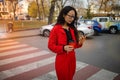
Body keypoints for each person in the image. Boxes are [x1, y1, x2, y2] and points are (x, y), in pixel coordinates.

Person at [48, 6, 86, 80]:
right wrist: (63, 48)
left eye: (73, 17)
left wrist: (80, 43)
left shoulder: (72, 29)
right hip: (62, 60)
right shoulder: (56, 29)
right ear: (64, 15)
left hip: (72, 59)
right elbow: (50, 45)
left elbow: (74, 46)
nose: (71, 19)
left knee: (70, 77)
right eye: (70, 16)